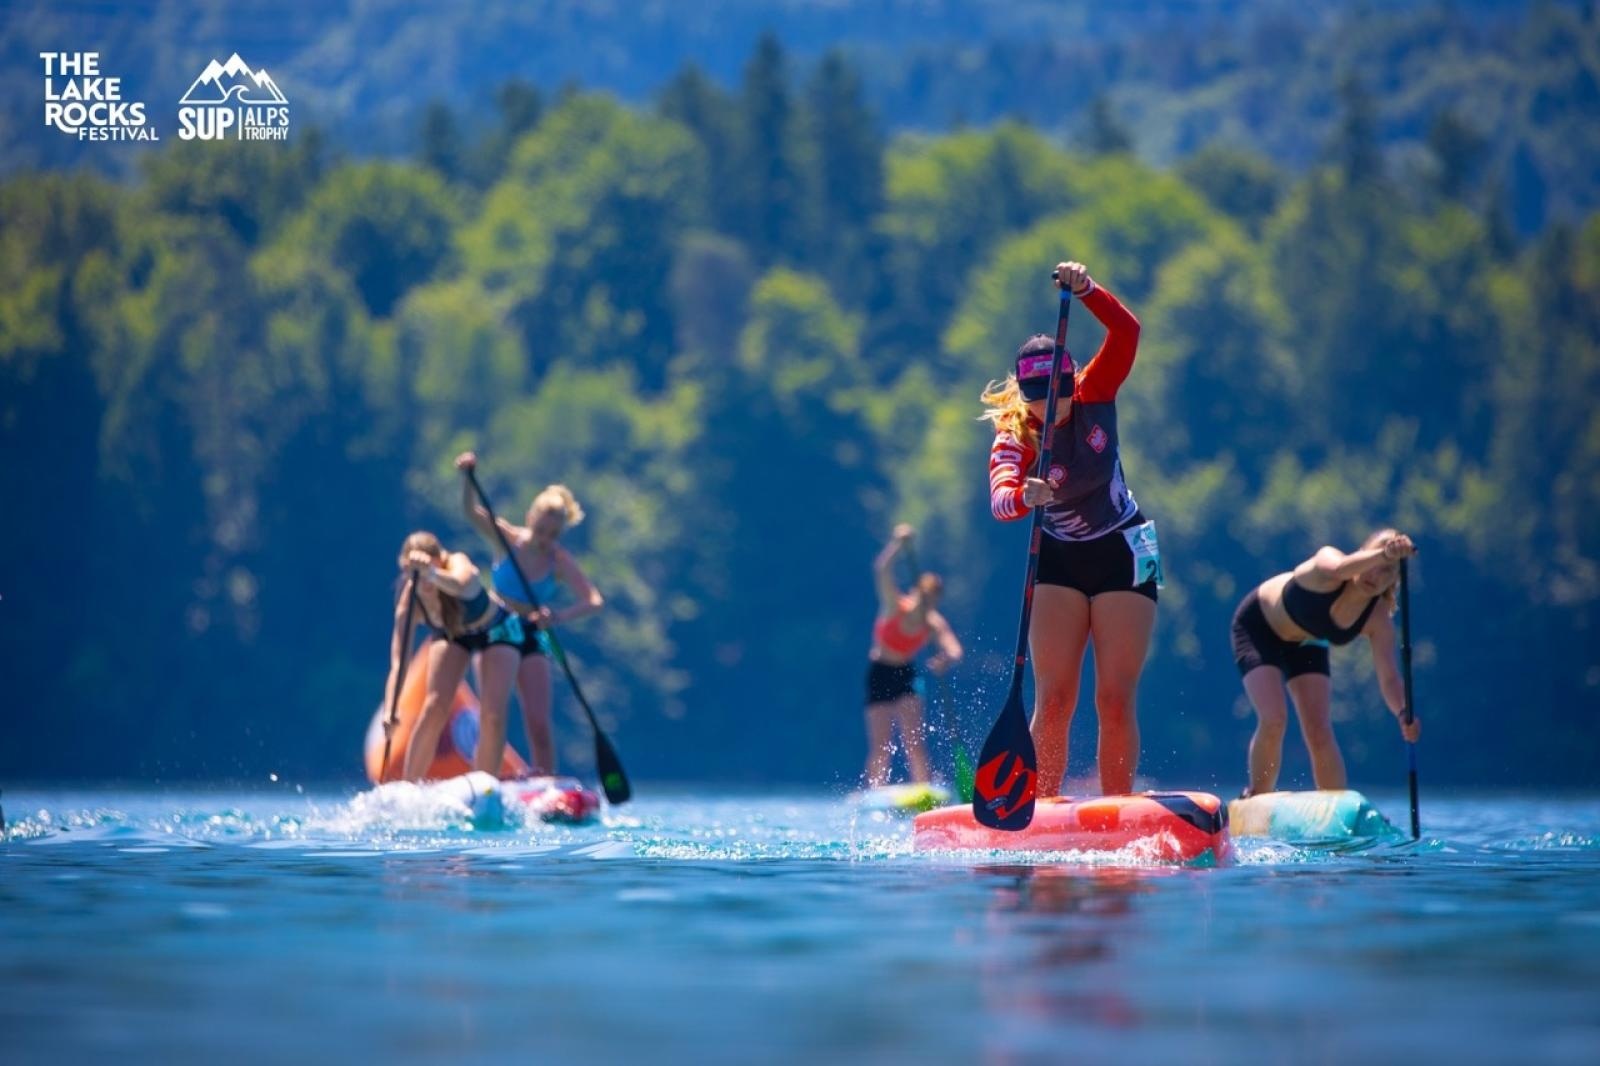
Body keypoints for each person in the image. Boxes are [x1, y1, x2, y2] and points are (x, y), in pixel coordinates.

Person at [982, 260, 1157, 798]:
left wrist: (1087, 291)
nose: (1047, 406)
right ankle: (1038, 806)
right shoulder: (1016, 431)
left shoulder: (1096, 390)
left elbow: (1127, 332)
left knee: (1113, 697)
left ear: (1071, 380)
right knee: (1055, 699)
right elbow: (999, 497)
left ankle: (1118, 809)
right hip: (1059, 559)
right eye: (1036, 397)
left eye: (1056, 393)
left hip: (1123, 552)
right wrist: (1022, 496)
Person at [1231, 529, 1423, 796]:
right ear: (1364, 554)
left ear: (1393, 581)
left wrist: (1404, 713)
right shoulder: (1328, 560)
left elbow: (1389, 677)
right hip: (1260, 627)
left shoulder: (1377, 618)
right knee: (1274, 718)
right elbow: (1340, 568)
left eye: (1387, 572)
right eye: (1374, 564)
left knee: (1318, 728)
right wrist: (1385, 554)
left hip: (1308, 642)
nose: (1375, 576)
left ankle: (1336, 807)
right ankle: (1257, 795)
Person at [455, 453, 604, 775]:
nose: (545, 540)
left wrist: (559, 616)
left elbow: (593, 600)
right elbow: (470, 512)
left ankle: (546, 784)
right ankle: (485, 780)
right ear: (530, 519)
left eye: (553, 535)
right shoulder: (507, 538)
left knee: (539, 721)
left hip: (533, 636)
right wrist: (468, 479)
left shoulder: (558, 560)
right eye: (541, 530)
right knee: (493, 717)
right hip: (496, 630)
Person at [382, 531, 523, 781]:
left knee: (492, 714)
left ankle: (485, 782)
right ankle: (409, 785)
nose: (422, 583)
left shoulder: (457, 563)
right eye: (414, 575)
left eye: (427, 572)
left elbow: (459, 584)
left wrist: (431, 574)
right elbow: (399, 663)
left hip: (497, 630)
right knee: (434, 706)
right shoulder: (409, 602)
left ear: (440, 561)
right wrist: (390, 709)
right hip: (454, 636)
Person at [864, 524, 963, 788]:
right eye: (924, 597)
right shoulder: (894, 605)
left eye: (931, 601)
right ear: (916, 592)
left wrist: (947, 659)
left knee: (914, 741)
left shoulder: (932, 623)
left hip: (906, 675)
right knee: (881, 744)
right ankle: (876, 789)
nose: (926, 604)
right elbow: (881, 570)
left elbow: (954, 648)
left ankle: (923, 787)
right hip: (880, 672)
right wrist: (897, 543)